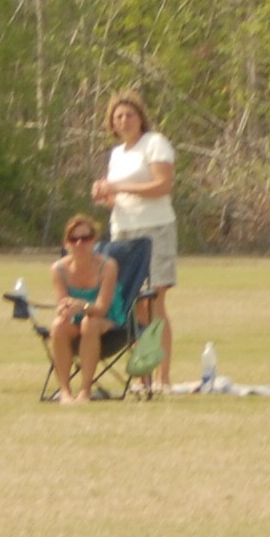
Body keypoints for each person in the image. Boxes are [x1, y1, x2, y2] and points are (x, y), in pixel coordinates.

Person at [91, 90, 177, 389]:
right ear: (111, 124)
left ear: (141, 118)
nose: (124, 120)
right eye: (118, 117)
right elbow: (120, 197)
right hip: (123, 231)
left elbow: (162, 186)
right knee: (129, 304)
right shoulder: (117, 154)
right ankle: (142, 377)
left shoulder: (154, 144)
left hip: (154, 229)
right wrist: (107, 195)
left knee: (153, 303)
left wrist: (120, 186)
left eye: (130, 115)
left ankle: (162, 377)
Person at [42, 215, 119, 404]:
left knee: (90, 323)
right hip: (76, 320)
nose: (79, 243)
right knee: (58, 324)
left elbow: (101, 309)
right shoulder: (59, 269)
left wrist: (82, 306)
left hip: (108, 319)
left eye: (85, 238)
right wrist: (66, 309)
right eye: (73, 239)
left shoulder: (107, 266)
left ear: (94, 240)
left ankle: (85, 391)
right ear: (66, 243)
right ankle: (65, 391)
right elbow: (62, 304)